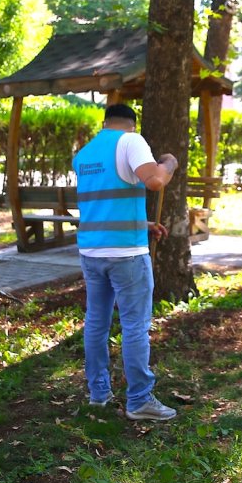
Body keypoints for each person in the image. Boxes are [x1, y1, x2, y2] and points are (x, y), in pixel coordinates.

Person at [74, 103, 178, 421]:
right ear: (132, 124)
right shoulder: (131, 141)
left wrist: (144, 225)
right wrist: (169, 163)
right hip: (127, 256)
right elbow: (155, 181)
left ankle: (99, 393)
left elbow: (104, 202)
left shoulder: (85, 153)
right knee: (134, 326)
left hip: (92, 252)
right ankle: (139, 400)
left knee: (96, 323)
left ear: (105, 122)